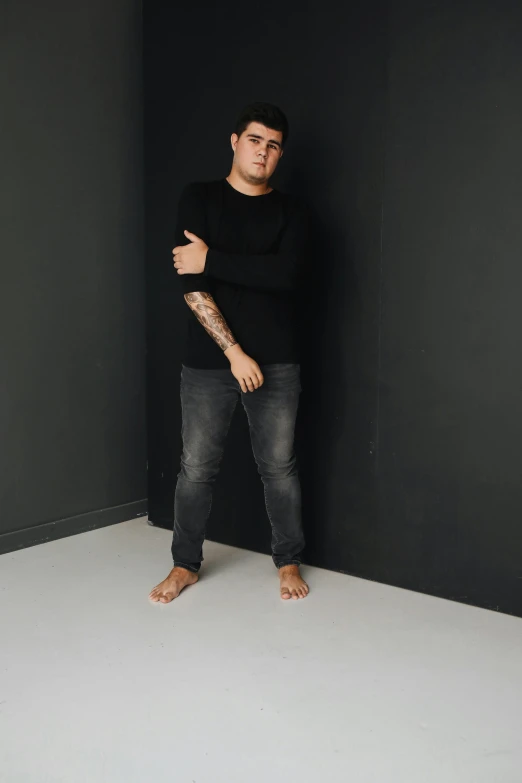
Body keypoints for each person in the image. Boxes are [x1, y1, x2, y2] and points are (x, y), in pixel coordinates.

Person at [149, 102, 310, 603]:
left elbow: (288, 277)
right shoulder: (198, 198)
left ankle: (287, 561)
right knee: (196, 467)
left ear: (280, 154)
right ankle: (184, 565)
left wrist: (213, 257)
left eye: (274, 145)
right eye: (256, 140)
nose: (264, 151)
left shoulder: (293, 212)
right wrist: (236, 352)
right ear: (235, 141)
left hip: (278, 360)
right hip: (210, 361)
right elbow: (191, 283)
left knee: (278, 468)